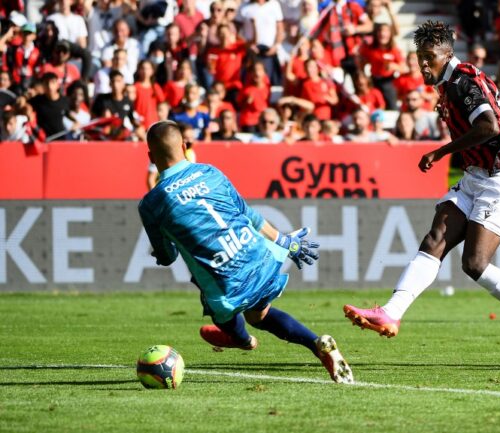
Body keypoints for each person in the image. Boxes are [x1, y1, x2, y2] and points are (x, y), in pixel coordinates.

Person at [343, 21, 500, 366]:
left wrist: (441, 151)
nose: (423, 65)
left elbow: (489, 125)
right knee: (435, 237)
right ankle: (390, 313)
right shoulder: (461, 79)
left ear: (447, 53)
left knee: (474, 264)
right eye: (419, 57)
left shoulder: (463, 80)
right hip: (477, 174)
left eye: (429, 57)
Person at [139, 120, 354, 384]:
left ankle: (244, 340)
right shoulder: (210, 172)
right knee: (258, 314)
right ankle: (317, 344)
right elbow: (248, 215)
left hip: (224, 278)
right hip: (259, 256)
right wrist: (285, 241)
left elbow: (167, 256)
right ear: (184, 147)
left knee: (222, 311)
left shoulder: (152, 203)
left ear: (150, 156)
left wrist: (161, 251)